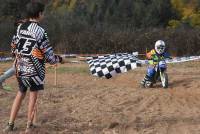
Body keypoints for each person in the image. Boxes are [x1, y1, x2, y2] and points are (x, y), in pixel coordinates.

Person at [3, 1, 64, 133]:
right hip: (35, 71)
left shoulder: (19, 28)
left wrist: (16, 59)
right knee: (33, 96)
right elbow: (48, 54)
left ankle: (10, 124)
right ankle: (29, 126)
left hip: (21, 69)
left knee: (20, 94)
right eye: (43, 13)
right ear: (40, 14)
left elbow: (13, 46)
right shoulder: (41, 31)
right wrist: (58, 59)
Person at [0, 20, 26, 89]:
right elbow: (13, 46)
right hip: (20, 55)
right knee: (15, 69)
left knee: (18, 69)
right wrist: (15, 54)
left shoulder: (23, 34)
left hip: (23, 55)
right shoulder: (17, 36)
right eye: (21, 24)